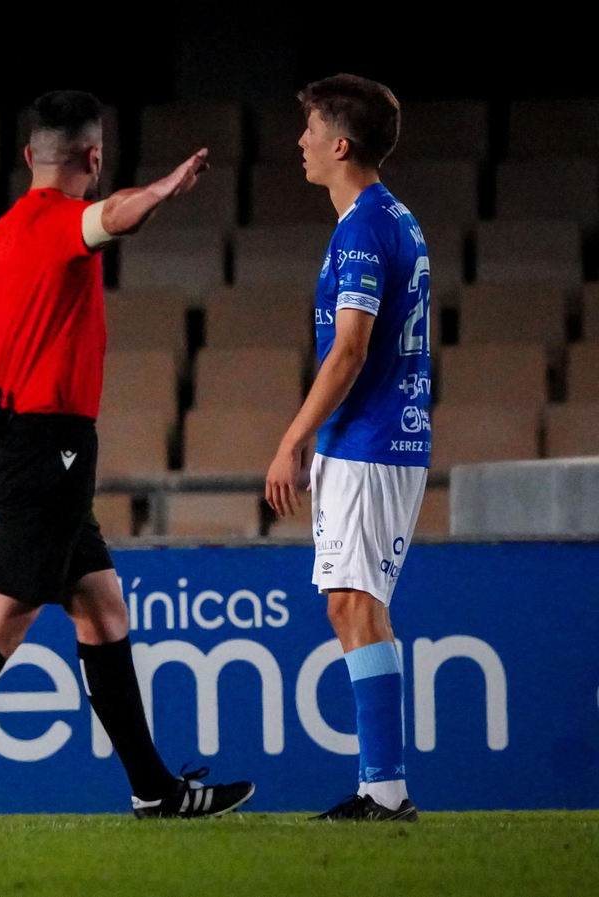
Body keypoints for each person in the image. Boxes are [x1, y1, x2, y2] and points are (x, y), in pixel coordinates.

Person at [0, 90, 254, 831]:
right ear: (93, 158)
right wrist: (163, 189)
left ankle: (155, 791)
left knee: (102, 609)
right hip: (48, 448)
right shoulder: (67, 225)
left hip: (11, 443)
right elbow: (118, 215)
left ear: (27, 157)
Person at [264, 74, 427, 822]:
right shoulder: (389, 219)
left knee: (356, 601)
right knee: (348, 603)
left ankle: (385, 792)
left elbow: (351, 350)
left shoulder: (365, 225)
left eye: (311, 128)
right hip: (372, 439)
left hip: (368, 439)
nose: (300, 141)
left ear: (340, 144)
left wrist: (292, 438)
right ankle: (382, 787)